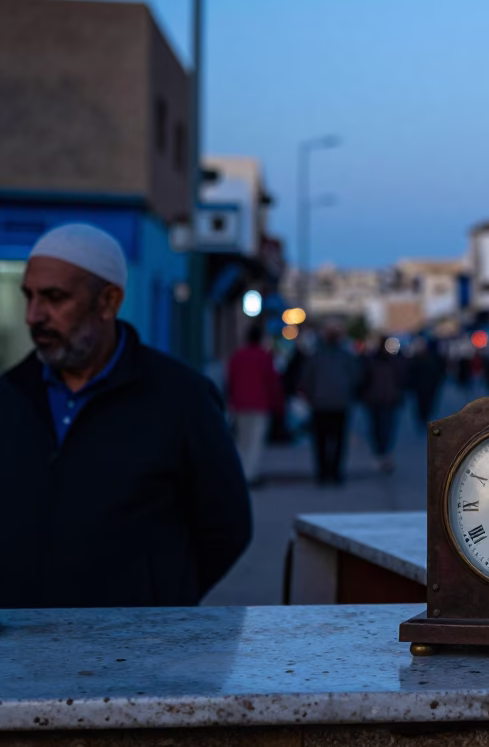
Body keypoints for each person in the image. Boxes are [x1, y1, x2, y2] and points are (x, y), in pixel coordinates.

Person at [0, 223, 252, 608]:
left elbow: (227, 528)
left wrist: (159, 600)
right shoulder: (10, 395)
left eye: (54, 298)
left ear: (108, 302)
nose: (34, 315)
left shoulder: (181, 399)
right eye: (29, 296)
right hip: (19, 649)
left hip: (134, 654)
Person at [300, 322, 362, 485]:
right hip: (339, 403)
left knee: (321, 440)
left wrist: (312, 396)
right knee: (338, 440)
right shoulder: (345, 356)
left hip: (320, 404)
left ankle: (323, 473)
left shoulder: (316, 356)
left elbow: (307, 379)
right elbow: (355, 377)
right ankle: (335, 473)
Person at [226, 323, 283, 485]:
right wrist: (277, 404)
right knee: (255, 441)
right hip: (260, 404)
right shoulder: (264, 357)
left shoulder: (237, 356)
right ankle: (250, 474)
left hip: (240, 403)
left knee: (242, 440)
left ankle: (240, 472)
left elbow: (230, 380)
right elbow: (272, 382)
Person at [361, 338, 407, 473]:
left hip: (389, 400)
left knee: (387, 428)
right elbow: (364, 380)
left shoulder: (395, 362)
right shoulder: (371, 361)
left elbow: (402, 379)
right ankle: (380, 453)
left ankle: (385, 454)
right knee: (376, 428)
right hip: (374, 400)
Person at [408, 336, 447, 429]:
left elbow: (439, 372)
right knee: (423, 404)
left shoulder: (432, 359)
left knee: (427, 404)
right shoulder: (421, 359)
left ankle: (425, 418)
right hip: (422, 387)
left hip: (429, 387)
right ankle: (423, 418)